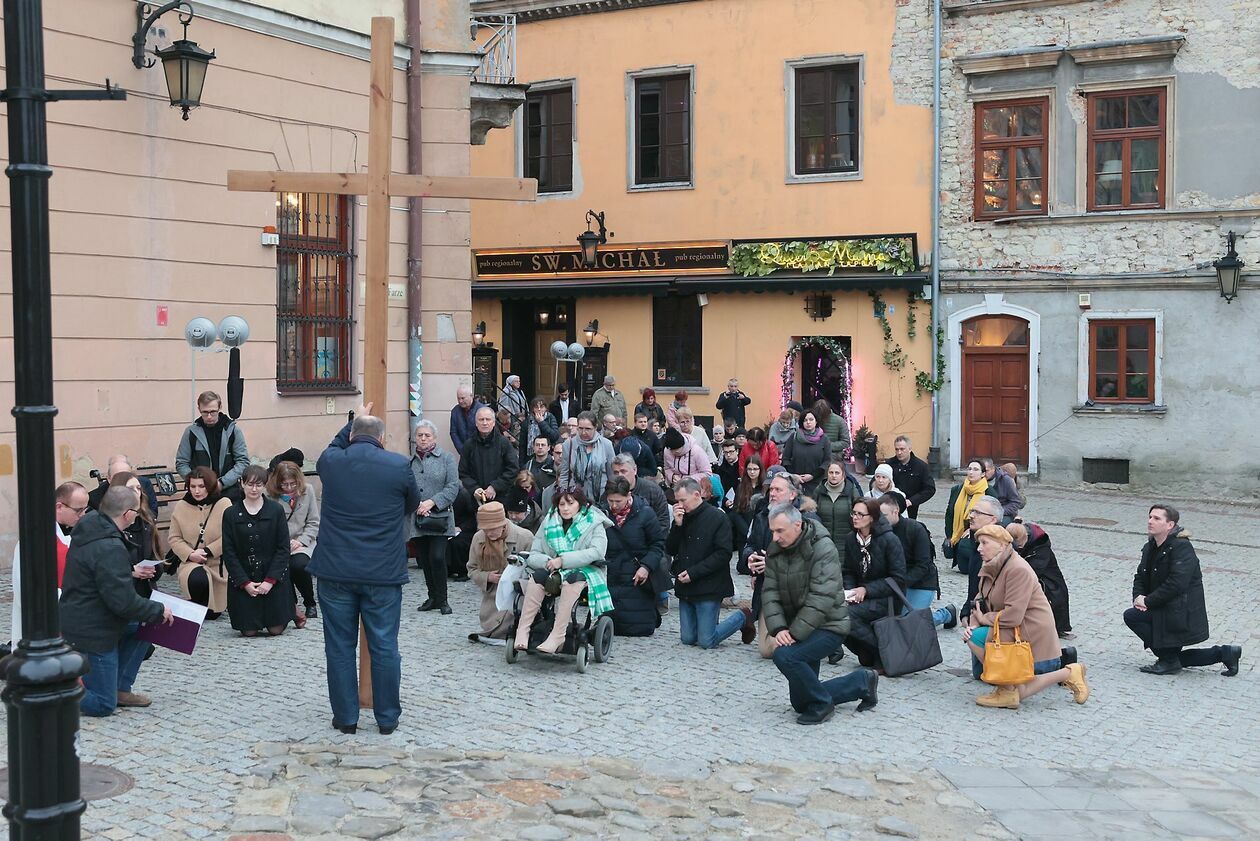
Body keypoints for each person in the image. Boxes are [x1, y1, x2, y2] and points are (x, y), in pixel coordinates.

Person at [311, 405, 422, 735]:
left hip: (336, 570)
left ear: (351, 435)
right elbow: (412, 504)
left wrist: (352, 421)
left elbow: (332, 447)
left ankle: (346, 718)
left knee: (339, 647)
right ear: (382, 439)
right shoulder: (399, 466)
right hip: (381, 571)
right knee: (384, 645)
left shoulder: (332, 462)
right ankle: (386, 718)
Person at [59, 486, 173, 716]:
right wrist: (158, 610)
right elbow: (123, 602)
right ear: (127, 514)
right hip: (92, 631)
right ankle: (56, 690)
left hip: (91, 618)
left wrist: (153, 613)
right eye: (136, 511)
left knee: (146, 624)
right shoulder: (108, 546)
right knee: (103, 704)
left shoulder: (94, 530)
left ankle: (119, 688)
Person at [763, 505, 878, 724]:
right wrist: (779, 628)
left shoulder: (822, 547)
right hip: (801, 626)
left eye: (779, 531)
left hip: (829, 626)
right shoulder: (776, 548)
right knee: (801, 703)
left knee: (784, 655)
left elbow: (821, 597)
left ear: (797, 525)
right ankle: (862, 682)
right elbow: (770, 592)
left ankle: (823, 704)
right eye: (772, 531)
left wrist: (794, 634)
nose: (775, 537)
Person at [962, 525, 1089, 709]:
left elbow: (1013, 615)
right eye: (978, 543)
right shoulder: (992, 565)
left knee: (976, 640)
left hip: (1029, 627)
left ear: (1002, 545)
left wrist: (982, 620)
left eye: (984, 543)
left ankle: (1007, 689)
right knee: (973, 637)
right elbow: (979, 599)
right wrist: (973, 623)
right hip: (1007, 624)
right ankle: (1068, 673)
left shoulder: (1017, 569)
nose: (979, 548)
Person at [1123, 504, 1242, 677]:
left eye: (1156, 518)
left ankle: (1172, 661)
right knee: (1136, 618)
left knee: (1134, 618)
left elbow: (1177, 584)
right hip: (1162, 606)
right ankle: (1225, 653)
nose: (1150, 521)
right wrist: (1138, 598)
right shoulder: (1150, 547)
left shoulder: (1181, 547)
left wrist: (1147, 601)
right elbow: (1140, 576)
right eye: (1150, 517)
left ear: (1170, 525)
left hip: (1180, 611)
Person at [514, 488, 613, 653]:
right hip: (554, 569)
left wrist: (563, 561)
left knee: (573, 579)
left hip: (586, 569)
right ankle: (523, 630)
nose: (566, 508)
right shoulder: (549, 522)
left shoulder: (594, 522)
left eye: (570, 504)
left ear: (580, 504)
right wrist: (548, 562)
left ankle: (558, 635)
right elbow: (534, 553)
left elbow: (597, 552)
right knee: (538, 576)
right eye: (562, 504)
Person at [668, 478, 753, 649]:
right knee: (688, 638)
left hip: (710, 585)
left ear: (696, 495)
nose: (679, 505)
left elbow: (723, 554)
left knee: (706, 640)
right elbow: (670, 549)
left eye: (683, 500)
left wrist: (694, 573)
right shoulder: (681, 518)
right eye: (677, 501)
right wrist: (677, 526)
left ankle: (742, 617)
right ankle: (708, 624)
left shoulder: (717, 517)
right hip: (686, 586)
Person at [10, 481, 88, 650]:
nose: (83, 515)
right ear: (59, 507)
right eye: (78, 510)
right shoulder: (34, 541)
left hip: (71, 625)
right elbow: (28, 591)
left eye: (85, 509)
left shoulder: (74, 533)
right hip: (43, 629)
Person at [222, 465, 293, 638]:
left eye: (258, 485)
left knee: (276, 630)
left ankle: (291, 610)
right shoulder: (231, 513)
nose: (254, 489)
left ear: (264, 485)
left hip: (272, 577)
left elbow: (283, 549)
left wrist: (270, 581)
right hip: (245, 577)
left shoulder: (276, 510)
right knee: (249, 632)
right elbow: (229, 552)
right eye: (250, 484)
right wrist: (244, 582)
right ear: (242, 484)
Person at [840, 497, 906, 670]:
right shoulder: (851, 539)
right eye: (853, 513)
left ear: (872, 517)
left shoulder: (889, 540)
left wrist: (866, 590)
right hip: (861, 594)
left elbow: (898, 579)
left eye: (860, 514)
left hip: (886, 598)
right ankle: (867, 652)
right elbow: (848, 570)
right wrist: (850, 591)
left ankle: (882, 653)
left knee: (845, 615)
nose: (855, 517)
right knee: (832, 611)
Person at [407, 419, 460, 616]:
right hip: (419, 517)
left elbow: (453, 486)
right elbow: (406, 488)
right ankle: (432, 597)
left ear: (434, 438)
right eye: (420, 435)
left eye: (427, 435)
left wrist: (432, 502)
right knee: (425, 559)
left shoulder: (446, 458)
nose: (423, 438)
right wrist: (417, 505)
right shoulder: (410, 462)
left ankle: (443, 599)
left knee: (437, 557)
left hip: (441, 517)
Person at [601, 477, 666, 637]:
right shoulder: (602, 513)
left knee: (637, 624)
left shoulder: (645, 513)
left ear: (628, 495)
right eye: (610, 501)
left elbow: (657, 544)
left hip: (636, 574)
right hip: (611, 573)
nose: (614, 506)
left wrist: (646, 567)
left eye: (618, 501)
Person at [880, 493, 955, 628]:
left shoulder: (915, 529)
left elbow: (923, 565)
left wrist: (900, 583)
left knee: (910, 624)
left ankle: (945, 614)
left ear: (895, 512)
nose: (879, 519)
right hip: (893, 583)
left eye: (883, 516)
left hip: (921, 582)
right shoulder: (877, 531)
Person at [169, 467, 232, 620]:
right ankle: (195, 608)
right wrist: (190, 554)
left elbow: (230, 535)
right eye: (193, 486)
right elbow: (174, 538)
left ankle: (208, 607)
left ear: (209, 486)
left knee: (212, 614)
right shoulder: (181, 506)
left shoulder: (223, 504)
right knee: (197, 578)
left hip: (217, 565)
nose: (197, 491)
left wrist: (208, 551)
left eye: (201, 486)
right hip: (190, 562)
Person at [465, 501, 533, 643]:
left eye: (493, 529)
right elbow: (472, 568)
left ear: (503, 524)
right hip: (492, 599)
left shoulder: (524, 537)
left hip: (518, 595)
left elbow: (535, 570)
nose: (489, 533)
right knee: (493, 629)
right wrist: (487, 577)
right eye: (486, 530)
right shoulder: (479, 538)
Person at [266, 461, 319, 626]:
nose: (289, 488)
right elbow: (268, 525)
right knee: (283, 565)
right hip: (279, 543)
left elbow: (313, 522)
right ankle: (292, 604)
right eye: (285, 484)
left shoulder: (308, 490)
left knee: (299, 565)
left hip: (303, 540)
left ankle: (309, 602)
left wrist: (301, 541)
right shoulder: (269, 495)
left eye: (292, 484)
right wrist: (283, 543)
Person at [175, 390, 250, 495]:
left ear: (220, 407)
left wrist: (222, 483)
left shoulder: (233, 431)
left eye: (213, 412)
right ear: (199, 409)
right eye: (205, 412)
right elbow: (182, 463)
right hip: (199, 492)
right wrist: (197, 483)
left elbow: (243, 462)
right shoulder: (191, 432)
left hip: (229, 490)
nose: (209, 416)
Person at [945, 463, 999, 607]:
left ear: (983, 474)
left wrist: (973, 529)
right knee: (962, 565)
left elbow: (993, 516)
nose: (971, 472)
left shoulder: (989, 492)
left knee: (971, 562)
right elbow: (949, 513)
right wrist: (950, 535)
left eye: (975, 469)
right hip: (958, 532)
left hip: (976, 534)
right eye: (969, 469)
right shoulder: (957, 489)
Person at [1007, 522, 1070, 638]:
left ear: (1025, 537)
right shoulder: (1024, 537)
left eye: (1020, 546)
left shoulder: (1041, 546)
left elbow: (1034, 570)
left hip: (1048, 579)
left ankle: (1053, 627)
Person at [109, 472, 162, 598]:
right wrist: (131, 572)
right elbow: (105, 569)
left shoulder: (146, 522)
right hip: (119, 594)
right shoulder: (108, 524)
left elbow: (156, 557)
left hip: (145, 591)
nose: (136, 492)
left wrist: (153, 569)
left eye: (138, 488)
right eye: (130, 488)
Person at [460, 406, 518, 504]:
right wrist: (474, 488)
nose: (485, 423)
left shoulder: (504, 443)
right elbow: (463, 472)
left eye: (488, 419)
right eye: (481, 419)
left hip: (501, 499)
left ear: (494, 422)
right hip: (475, 501)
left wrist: (495, 486)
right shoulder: (469, 445)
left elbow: (513, 469)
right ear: (476, 423)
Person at [558, 411, 616, 501]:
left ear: (595, 427)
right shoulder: (568, 445)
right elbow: (564, 474)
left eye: (588, 429)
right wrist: (563, 496)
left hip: (601, 497)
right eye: (580, 428)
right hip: (575, 497)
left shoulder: (606, 444)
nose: (583, 432)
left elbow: (612, 475)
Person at [812, 459, 861, 565]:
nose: (834, 476)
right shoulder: (819, 491)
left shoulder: (851, 491)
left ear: (843, 474)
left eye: (837, 473)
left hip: (846, 544)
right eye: (831, 472)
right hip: (823, 543)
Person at [610, 454, 669, 532]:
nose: (620, 476)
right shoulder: (609, 493)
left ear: (635, 470)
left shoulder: (653, 491)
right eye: (616, 473)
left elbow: (663, 522)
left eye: (623, 471)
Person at [782, 409, 832, 497]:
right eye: (805, 420)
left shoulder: (824, 439)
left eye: (811, 419)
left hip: (817, 483)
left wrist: (812, 475)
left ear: (816, 421)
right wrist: (794, 476)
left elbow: (827, 461)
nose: (808, 422)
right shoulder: (794, 437)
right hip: (795, 483)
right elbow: (786, 459)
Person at [87, 455, 157, 515]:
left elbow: (152, 513)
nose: (124, 480)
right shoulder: (95, 498)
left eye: (127, 475)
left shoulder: (142, 487)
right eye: (118, 477)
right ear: (109, 479)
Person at [886, 435, 935, 520]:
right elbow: (875, 481)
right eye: (897, 449)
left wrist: (912, 501)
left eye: (902, 449)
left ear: (909, 449)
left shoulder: (921, 467)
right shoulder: (889, 465)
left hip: (910, 509)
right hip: (890, 506)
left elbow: (930, 489)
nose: (899, 452)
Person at [729, 455, 766, 548]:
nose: (752, 472)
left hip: (761, 532)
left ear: (760, 469)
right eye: (749, 469)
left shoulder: (765, 487)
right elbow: (735, 512)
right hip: (743, 533)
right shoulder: (741, 487)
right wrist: (746, 532)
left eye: (755, 469)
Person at [449, 385, 485, 455]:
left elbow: (485, 431)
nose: (460, 401)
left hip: (480, 452)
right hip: (463, 452)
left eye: (463, 398)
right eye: (458, 398)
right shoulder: (455, 411)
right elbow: (453, 432)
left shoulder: (481, 410)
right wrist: (462, 450)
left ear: (471, 396)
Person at [716, 442, 741, 510]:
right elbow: (718, 489)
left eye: (731, 452)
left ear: (737, 451)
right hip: (726, 503)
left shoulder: (742, 467)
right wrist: (725, 500)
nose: (728, 455)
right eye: (726, 452)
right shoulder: (720, 469)